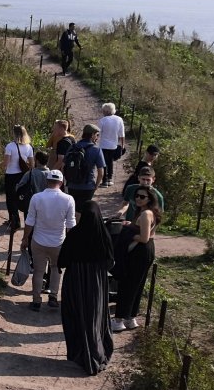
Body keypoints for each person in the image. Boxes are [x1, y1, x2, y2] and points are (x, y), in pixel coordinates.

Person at [57, 201, 116, 375]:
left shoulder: (75, 234)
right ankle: (96, 352)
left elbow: (63, 260)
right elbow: (110, 262)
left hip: (75, 280)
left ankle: (79, 353)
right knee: (94, 317)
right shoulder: (103, 234)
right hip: (96, 282)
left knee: (76, 315)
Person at [20, 169, 75, 311]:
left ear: (47, 181)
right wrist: (71, 243)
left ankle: (36, 301)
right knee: (56, 269)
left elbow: (29, 221)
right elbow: (70, 225)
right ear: (61, 182)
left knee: (38, 271)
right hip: (58, 241)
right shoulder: (68, 199)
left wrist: (25, 238)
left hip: (38, 240)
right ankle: (53, 297)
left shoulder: (37, 198)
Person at [111, 187, 158, 331]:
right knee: (137, 285)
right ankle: (131, 318)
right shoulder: (152, 213)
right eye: (137, 196)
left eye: (142, 197)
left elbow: (143, 238)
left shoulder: (145, 215)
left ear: (149, 198)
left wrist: (128, 234)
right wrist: (130, 225)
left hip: (139, 252)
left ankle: (119, 320)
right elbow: (150, 234)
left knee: (127, 285)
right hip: (148, 250)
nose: (138, 198)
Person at [62, 124, 105, 208]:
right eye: (97, 135)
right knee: (84, 209)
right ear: (92, 135)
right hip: (88, 186)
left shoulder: (73, 147)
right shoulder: (96, 149)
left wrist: (67, 181)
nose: (97, 138)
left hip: (72, 185)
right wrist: (96, 186)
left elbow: (63, 166)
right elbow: (101, 172)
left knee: (73, 208)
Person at [2, 125, 34, 232]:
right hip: (23, 175)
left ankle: (14, 221)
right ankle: (24, 221)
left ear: (14, 134)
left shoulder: (10, 146)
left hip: (11, 175)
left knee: (11, 199)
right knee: (22, 197)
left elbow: (6, 163)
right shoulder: (29, 147)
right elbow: (32, 164)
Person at [97, 103, 126, 188]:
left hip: (103, 145)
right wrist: (122, 145)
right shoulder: (119, 119)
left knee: (104, 163)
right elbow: (122, 134)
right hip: (114, 145)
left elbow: (98, 133)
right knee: (110, 162)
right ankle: (110, 179)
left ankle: (104, 181)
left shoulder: (103, 120)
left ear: (106, 111)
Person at [16, 150, 51, 215]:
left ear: (37, 161)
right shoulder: (51, 174)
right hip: (47, 204)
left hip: (31, 203)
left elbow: (20, 186)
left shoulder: (30, 174)